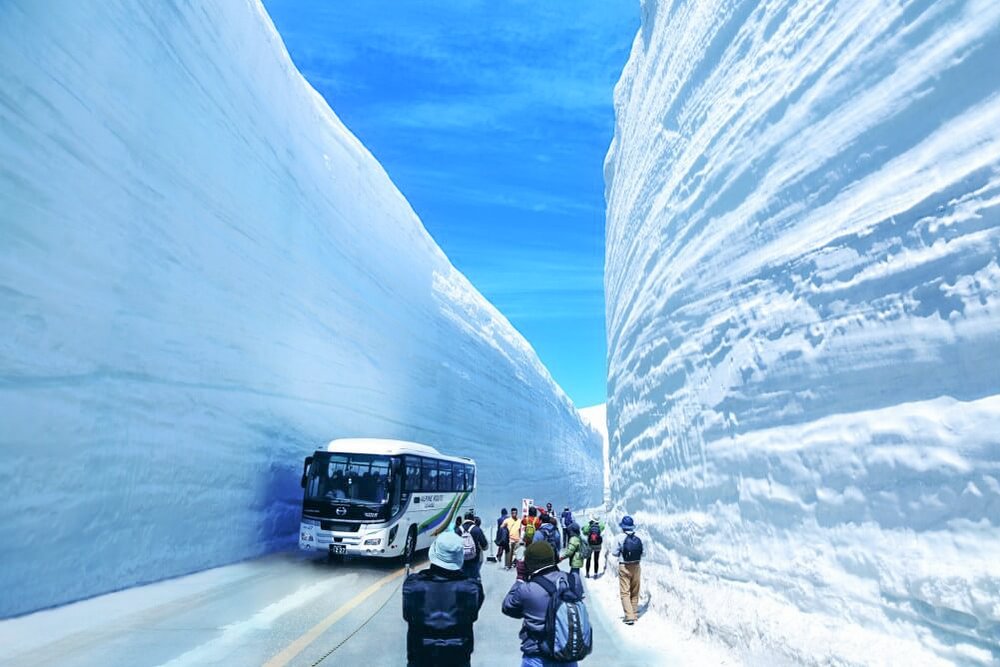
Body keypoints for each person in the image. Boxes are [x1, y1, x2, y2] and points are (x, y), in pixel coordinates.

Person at [402, 532, 485, 666]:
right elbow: (472, 615)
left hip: (421, 657)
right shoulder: (472, 588)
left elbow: (407, 616)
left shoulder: (412, 585)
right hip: (457, 658)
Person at [502, 541, 589, 667]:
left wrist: (520, 578)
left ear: (529, 563)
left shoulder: (528, 589)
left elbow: (508, 607)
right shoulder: (572, 580)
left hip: (537, 656)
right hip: (567, 655)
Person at [612, 515, 643, 625]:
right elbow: (643, 553)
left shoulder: (619, 537)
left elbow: (614, 553)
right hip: (636, 566)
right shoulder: (638, 537)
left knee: (625, 592)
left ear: (623, 527)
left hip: (624, 566)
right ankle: (634, 613)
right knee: (635, 590)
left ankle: (629, 616)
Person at [459, 511, 489, 580]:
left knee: (462, 579)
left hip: (461, 560)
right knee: (475, 580)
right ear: (473, 519)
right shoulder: (477, 530)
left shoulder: (458, 530)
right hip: (475, 560)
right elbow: (485, 546)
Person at [559, 522, 587, 586]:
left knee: (574, 575)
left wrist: (562, 557)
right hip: (579, 558)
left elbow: (569, 551)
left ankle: (576, 588)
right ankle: (577, 587)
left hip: (575, 560)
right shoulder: (578, 537)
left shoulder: (573, 539)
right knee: (575, 573)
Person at [584, 514, 605, 578]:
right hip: (598, 544)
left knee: (588, 559)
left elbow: (584, 532)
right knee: (596, 559)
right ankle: (595, 574)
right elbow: (603, 528)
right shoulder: (601, 525)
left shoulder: (588, 525)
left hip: (590, 544)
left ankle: (587, 574)